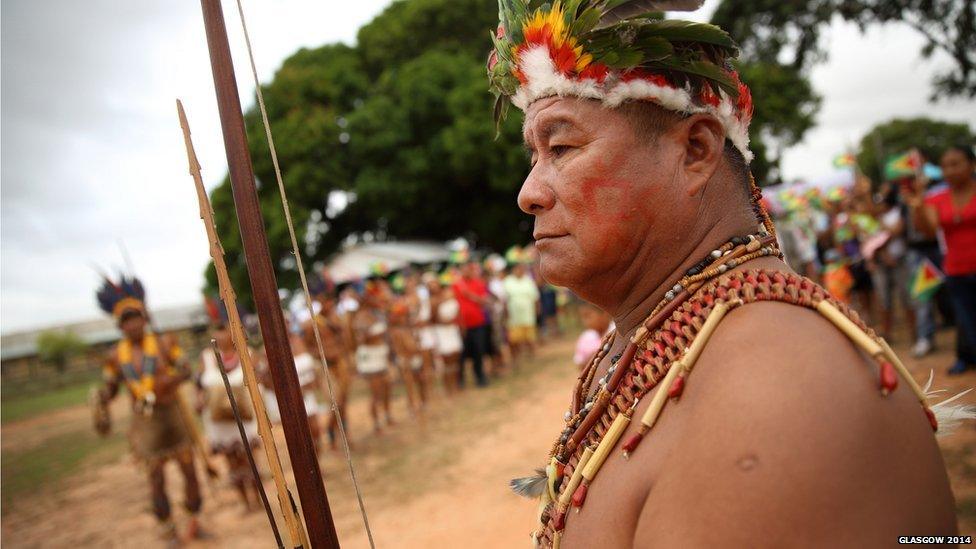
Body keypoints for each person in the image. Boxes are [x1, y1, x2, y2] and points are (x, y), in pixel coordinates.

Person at [488, 2, 959, 546]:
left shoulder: (778, 396)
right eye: (534, 156)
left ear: (696, 151)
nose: (529, 194)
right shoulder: (655, 340)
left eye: (562, 147)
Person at [94, 276, 203, 542]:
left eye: (136, 318)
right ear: (120, 326)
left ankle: (193, 519)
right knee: (155, 478)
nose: (133, 324)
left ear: (145, 318)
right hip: (146, 422)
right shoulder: (114, 358)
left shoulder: (166, 344)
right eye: (127, 320)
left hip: (174, 415)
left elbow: (187, 370)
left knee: (189, 470)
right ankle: (168, 529)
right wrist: (102, 398)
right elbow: (111, 388)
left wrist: (170, 381)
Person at [905, 144, 976, 375]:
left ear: (972, 164)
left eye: (956, 164)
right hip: (955, 271)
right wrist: (917, 208)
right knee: (968, 326)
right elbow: (928, 230)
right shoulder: (937, 198)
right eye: (946, 166)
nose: (950, 171)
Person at [197, 314, 260, 512]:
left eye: (224, 329)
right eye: (217, 330)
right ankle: (245, 502)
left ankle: (258, 500)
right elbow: (199, 385)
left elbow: (259, 380)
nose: (221, 334)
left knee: (249, 459)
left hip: (244, 417)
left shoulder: (247, 353)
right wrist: (198, 399)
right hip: (219, 422)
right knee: (231, 461)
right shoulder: (207, 358)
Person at [303, 281, 355, 450]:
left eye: (331, 302)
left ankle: (344, 436)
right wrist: (322, 354)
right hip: (325, 367)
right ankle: (331, 433)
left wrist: (348, 360)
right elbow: (308, 347)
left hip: (341, 363)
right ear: (321, 303)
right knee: (336, 402)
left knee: (343, 402)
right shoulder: (312, 324)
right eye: (326, 302)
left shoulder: (338, 320)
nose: (330, 305)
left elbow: (346, 341)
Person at [867, 183, 915, 341]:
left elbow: (896, 231)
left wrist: (881, 227)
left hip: (900, 260)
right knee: (884, 299)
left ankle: (914, 332)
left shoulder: (901, 210)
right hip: (882, 262)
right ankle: (886, 334)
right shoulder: (877, 213)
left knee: (906, 296)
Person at [354, 283, 395, 432]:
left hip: (381, 353)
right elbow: (361, 338)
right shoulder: (360, 317)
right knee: (376, 391)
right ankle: (377, 423)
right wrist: (377, 334)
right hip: (370, 356)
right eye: (374, 298)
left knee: (387, 387)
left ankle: (387, 415)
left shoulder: (378, 313)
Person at [452, 261, 490, 387]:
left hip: (478, 323)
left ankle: (480, 377)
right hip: (461, 326)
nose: (466, 272)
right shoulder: (456, 285)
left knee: (478, 351)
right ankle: (460, 380)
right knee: (461, 354)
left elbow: (484, 301)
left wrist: (470, 296)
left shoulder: (478, 284)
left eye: (468, 269)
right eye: (463, 269)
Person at [432, 274, 464, 395]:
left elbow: (457, 316)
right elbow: (436, 318)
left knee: (454, 360)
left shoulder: (453, 302)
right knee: (446, 361)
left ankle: (455, 384)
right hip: (442, 333)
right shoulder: (435, 302)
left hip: (452, 331)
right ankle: (447, 387)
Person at [503, 262, 541, 362]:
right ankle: (516, 358)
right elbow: (504, 300)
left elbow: (535, 297)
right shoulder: (507, 281)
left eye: (522, 269)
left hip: (528, 314)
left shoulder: (528, 281)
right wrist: (505, 313)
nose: (520, 271)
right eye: (518, 269)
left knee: (530, 337)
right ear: (513, 270)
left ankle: (533, 355)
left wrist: (537, 310)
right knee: (514, 339)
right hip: (513, 316)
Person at [573, 302, 612, 368]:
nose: (585, 321)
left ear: (604, 313)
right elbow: (580, 364)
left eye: (588, 316)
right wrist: (591, 358)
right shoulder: (585, 337)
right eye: (583, 317)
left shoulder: (617, 332)